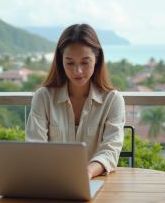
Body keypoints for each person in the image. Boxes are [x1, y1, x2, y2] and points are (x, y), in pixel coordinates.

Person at [25, 24, 125, 179]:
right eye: (70, 63)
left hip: (95, 183)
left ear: (97, 59)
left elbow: (110, 151)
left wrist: (88, 172)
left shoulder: (112, 100)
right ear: (61, 61)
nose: (77, 71)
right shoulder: (43, 97)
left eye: (85, 62)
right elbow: (35, 149)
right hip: (51, 183)